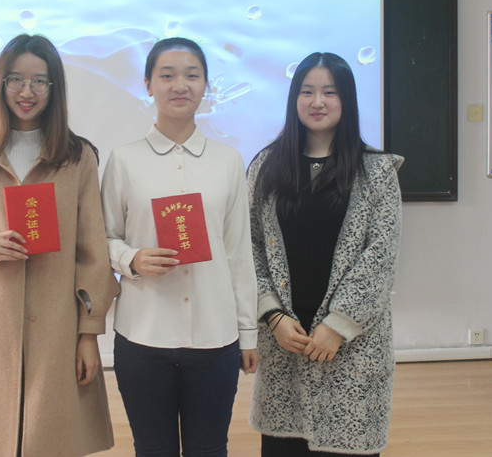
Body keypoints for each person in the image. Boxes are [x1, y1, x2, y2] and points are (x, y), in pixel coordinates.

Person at [0, 34, 120, 457]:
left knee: (51, 441)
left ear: (54, 87)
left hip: (57, 328)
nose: (26, 92)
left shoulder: (77, 157)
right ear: (0, 83)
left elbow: (92, 252)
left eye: (39, 81)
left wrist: (89, 334)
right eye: (15, 79)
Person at [100, 37, 258, 456]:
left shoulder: (228, 160)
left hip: (215, 337)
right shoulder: (124, 159)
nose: (180, 85)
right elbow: (102, 237)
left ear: (206, 85)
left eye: (192, 75)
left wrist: (247, 333)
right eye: (167, 75)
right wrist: (131, 258)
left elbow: (238, 252)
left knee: (210, 448)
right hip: (143, 335)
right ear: (148, 84)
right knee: (153, 449)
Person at [247, 52, 402, 456]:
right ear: (294, 99)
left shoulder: (376, 171)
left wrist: (337, 325)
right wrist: (273, 315)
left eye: (330, 92)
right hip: (286, 342)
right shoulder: (266, 166)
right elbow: (250, 246)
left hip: (352, 345)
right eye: (307, 92)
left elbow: (381, 255)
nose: (318, 102)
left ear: (346, 100)